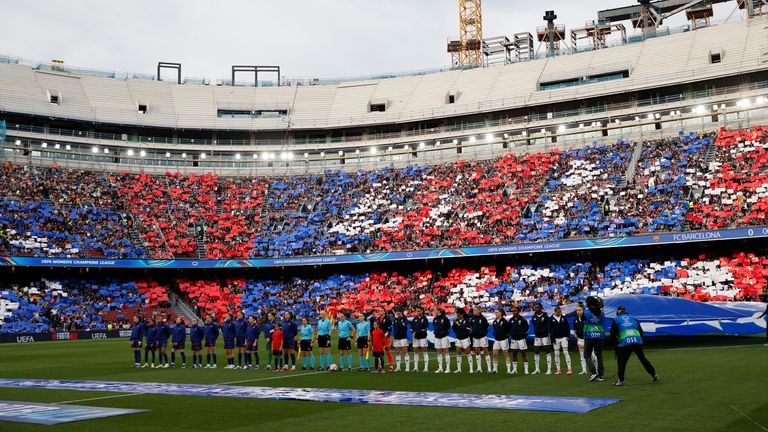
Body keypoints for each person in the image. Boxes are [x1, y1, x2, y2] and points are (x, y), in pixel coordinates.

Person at [610, 306, 660, 386]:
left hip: (626, 341)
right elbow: (641, 331)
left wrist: (617, 344)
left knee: (621, 361)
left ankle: (621, 381)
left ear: (618, 311)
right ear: (626, 311)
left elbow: (612, 334)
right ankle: (654, 375)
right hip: (636, 340)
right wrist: (639, 340)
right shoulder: (633, 318)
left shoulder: (616, 319)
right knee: (643, 359)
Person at [584, 296, 606, 382]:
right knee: (599, 356)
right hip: (599, 336)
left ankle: (593, 372)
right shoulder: (601, 312)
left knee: (587, 355)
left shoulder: (586, 312)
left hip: (589, 336)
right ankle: (601, 375)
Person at [549, 306, 572, 375]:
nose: (560, 313)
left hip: (564, 337)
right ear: (555, 312)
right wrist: (553, 339)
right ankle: (558, 370)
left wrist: (567, 336)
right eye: (558, 312)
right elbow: (550, 330)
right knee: (556, 354)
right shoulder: (551, 319)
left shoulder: (563, 317)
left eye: (560, 311)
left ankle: (569, 369)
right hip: (556, 339)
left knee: (565, 352)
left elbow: (567, 327)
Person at [530, 303, 552, 375]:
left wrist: (546, 332)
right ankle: (537, 369)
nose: (536, 309)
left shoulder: (545, 316)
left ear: (541, 308)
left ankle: (549, 369)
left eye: (537, 307)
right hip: (537, 336)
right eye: (535, 307)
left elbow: (548, 326)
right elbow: (534, 325)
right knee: (536, 351)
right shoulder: (534, 317)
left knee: (547, 351)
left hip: (545, 336)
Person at [469, 306, 492, 373]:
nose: (474, 312)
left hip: (482, 337)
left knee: (485, 352)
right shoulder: (472, 318)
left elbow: (487, 326)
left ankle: (489, 369)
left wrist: (484, 333)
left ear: (479, 310)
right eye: (473, 310)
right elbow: (471, 326)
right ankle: (479, 368)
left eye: (475, 310)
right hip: (475, 338)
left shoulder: (483, 318)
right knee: (477, 352)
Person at [508, 306, 529, 374]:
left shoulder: (522, 320)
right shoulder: (511, 320)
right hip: (513, 339)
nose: (514, 312)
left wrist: (522, 335)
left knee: (523, 354)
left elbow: (526, 328)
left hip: (521, 339)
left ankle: (526, 370)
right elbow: (509, 328)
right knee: (514, 354)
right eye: (513, 311)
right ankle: (515, 369)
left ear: (518, 311)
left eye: (515, 311)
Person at [491, 309, 512, 374]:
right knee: (494, 354)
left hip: (503, 340)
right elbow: (495, 329)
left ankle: (508, 369)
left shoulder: (505, 322)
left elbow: (509, 331)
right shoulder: (494, 321)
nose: (495, 314)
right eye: (495, 313)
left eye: (497, 312)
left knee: (506, 354)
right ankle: (495, 369)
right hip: (496, 340)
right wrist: (495, 334)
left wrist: (505, 336)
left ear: (500, 313)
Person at [452, 308, 472, 373]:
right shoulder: (456, 320)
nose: (458, 316)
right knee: (458, 353)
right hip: (458, 338)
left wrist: (458, 324)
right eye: (457, 314)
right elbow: (454, 329)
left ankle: (471, 369)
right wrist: (454, 324)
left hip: (465, 338)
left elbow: (468, 329)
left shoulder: (467, 320)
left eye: (459, 314)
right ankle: (459, 369)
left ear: (462, 314)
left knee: (468, 353)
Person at [432, 307, 451, 373]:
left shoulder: (445, 318)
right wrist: (435, 332)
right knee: (438, 352)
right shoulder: (435, 319)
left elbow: (448, 327)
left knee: (446, 352)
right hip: (437, 337)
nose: (434, 312)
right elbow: (435, 327)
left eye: (435, 310)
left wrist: (444, 333)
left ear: (439, 311)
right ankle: (440, 368)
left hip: (444, 337)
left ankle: (448, 368)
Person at [572, 303, 590, 375]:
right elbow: (574, 329)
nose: (578, 311)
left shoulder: (587, 319)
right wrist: (575, 334)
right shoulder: (575, 320)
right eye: (577, 310)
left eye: (580, 310)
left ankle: (596, 370)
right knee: (582, 355)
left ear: (583, 310)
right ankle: (584, 370)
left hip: (588, 339)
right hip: (580, 340)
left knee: (592, 355)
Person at [411, 307, 429, 373]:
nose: (418, 312)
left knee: (424, 351)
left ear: (422, 311)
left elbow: (426, 328)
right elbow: (411, 327)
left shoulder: (425, 319)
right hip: (415, 338)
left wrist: (416, 332)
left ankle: (426, 368)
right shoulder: (415, 319)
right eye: (417, 311)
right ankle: (416, 368)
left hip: (422, 337)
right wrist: (413, 332)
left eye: (419, 311)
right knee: (415, 352)